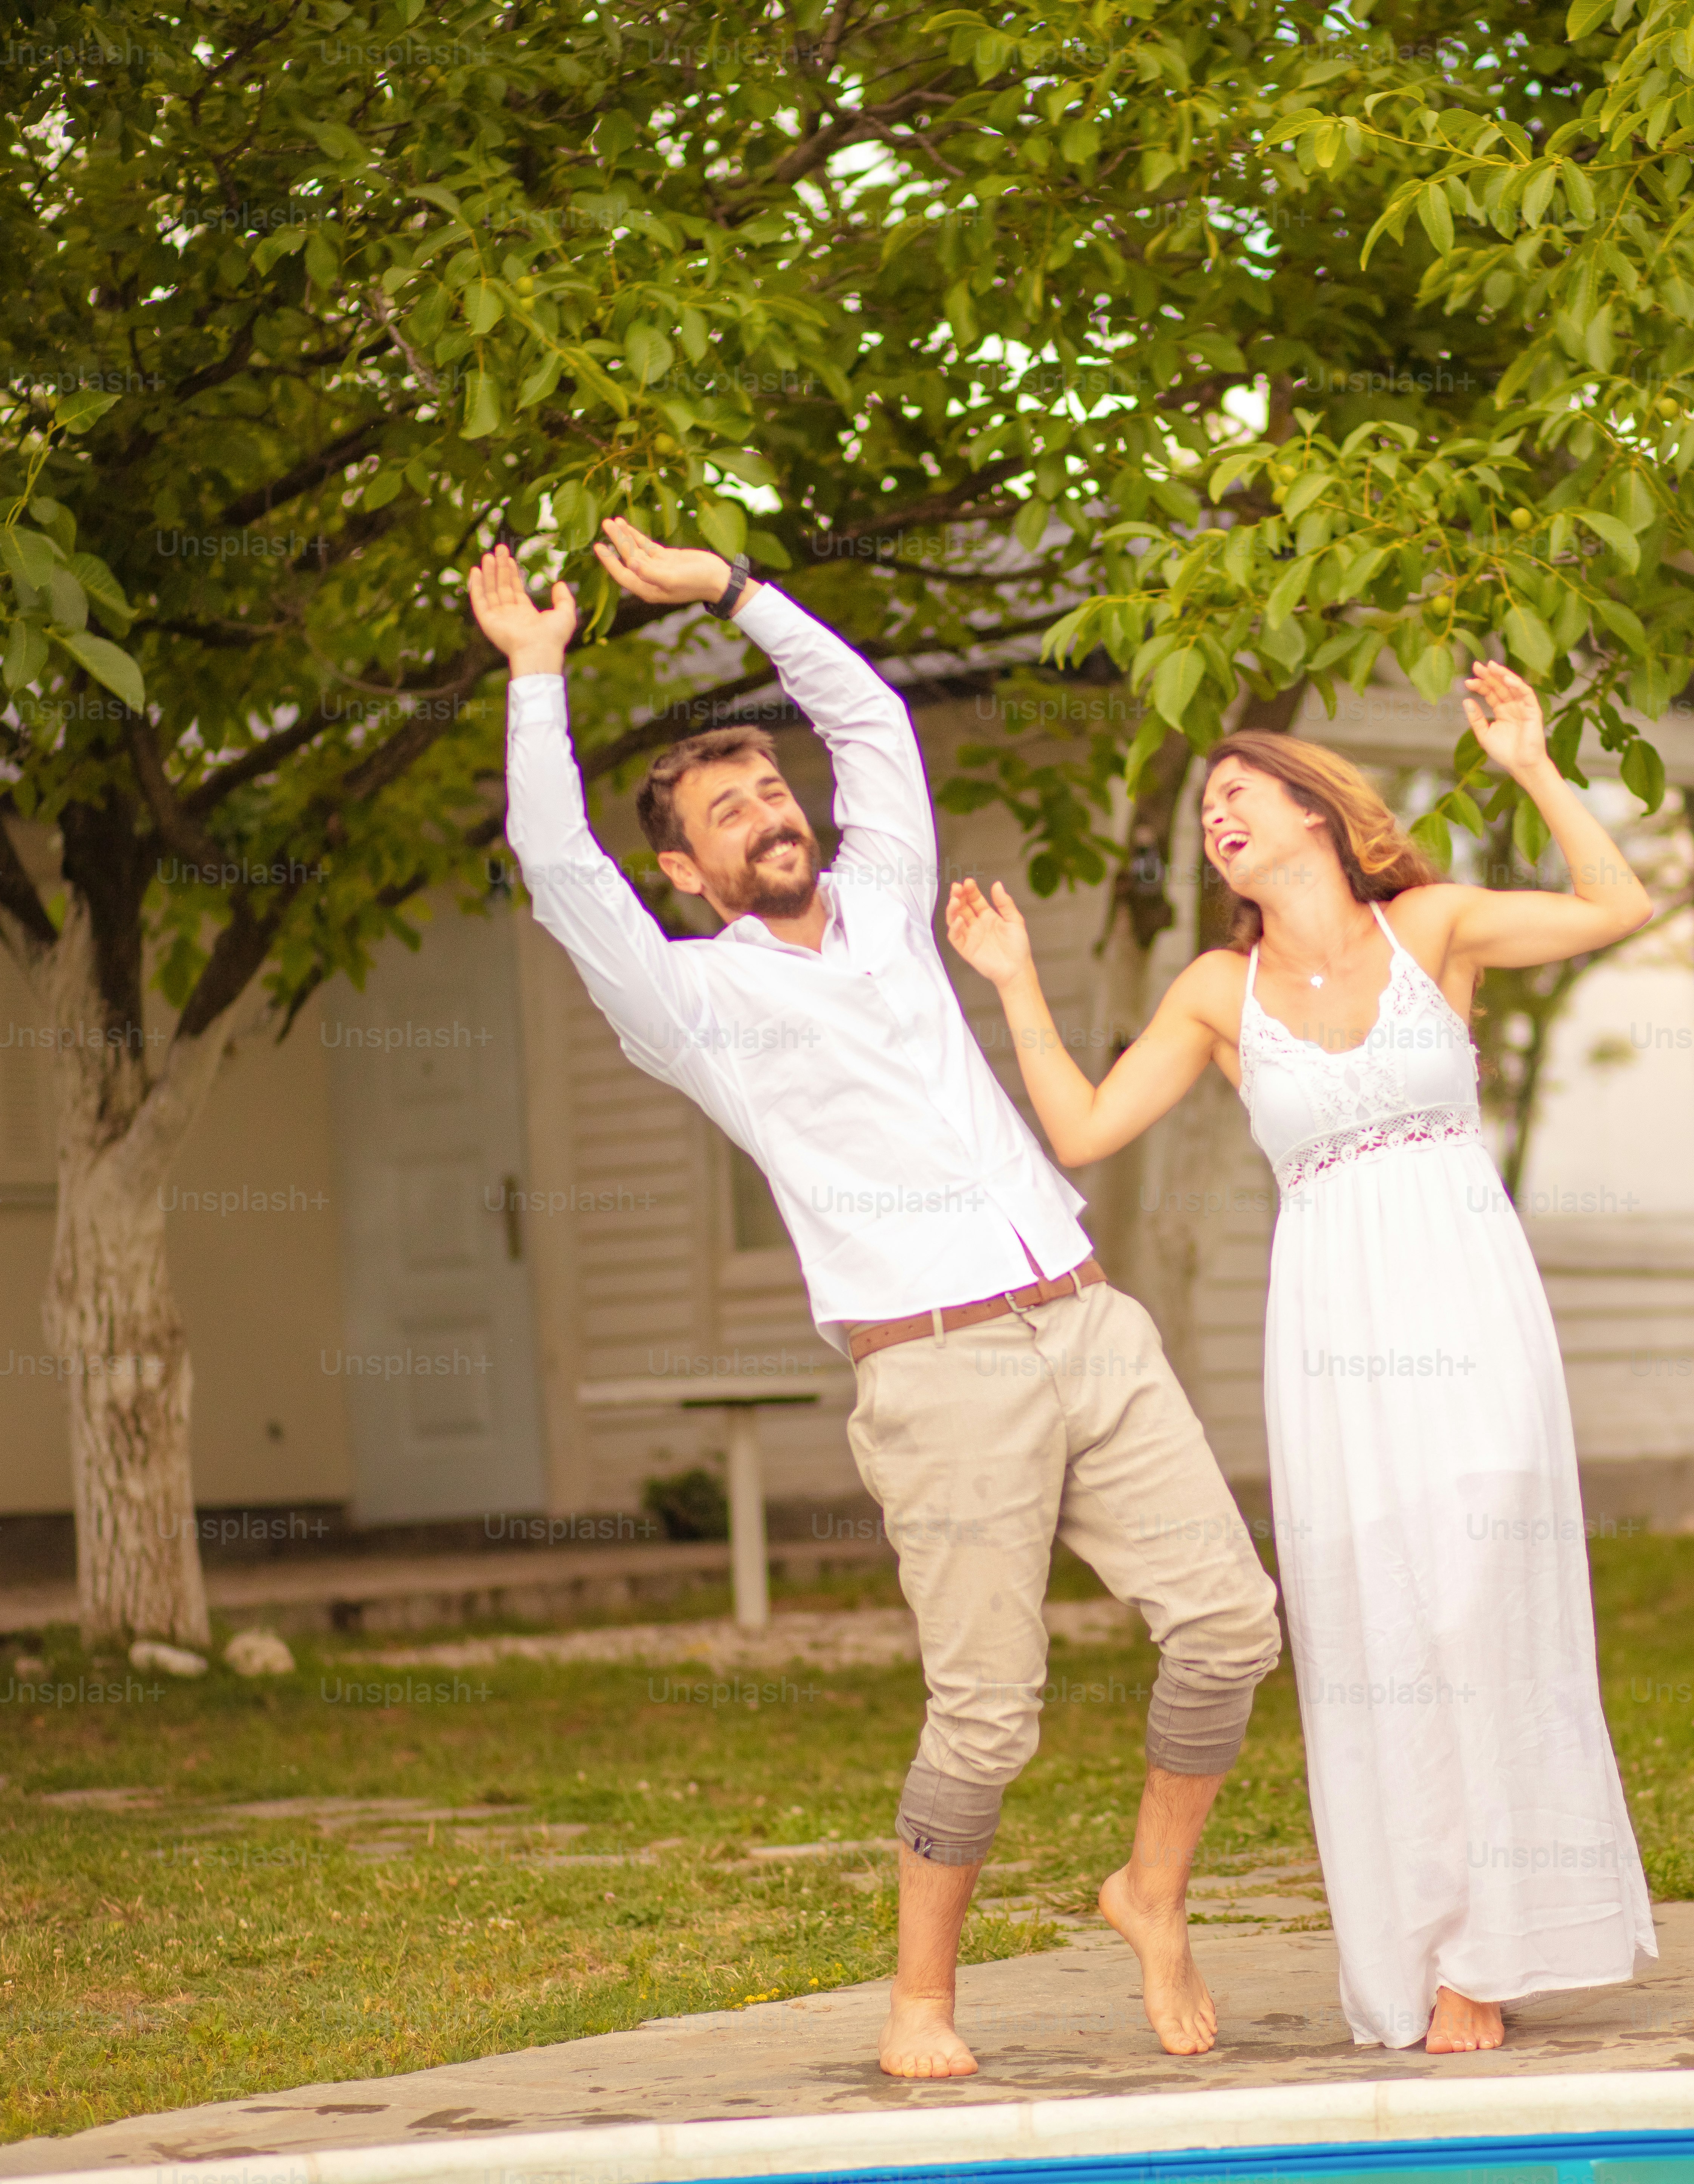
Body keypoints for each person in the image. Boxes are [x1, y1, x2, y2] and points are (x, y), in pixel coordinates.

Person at [469, 519, 1283, 2080]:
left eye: (770, 792)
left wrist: (734, 592)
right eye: (726, 812)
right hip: (937, 1379)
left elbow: (870, 722)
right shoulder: (692, 1006)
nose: (768, 815)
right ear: (685, 868)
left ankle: (1148, 1890)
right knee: (989, 1716)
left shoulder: (890, 904)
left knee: (1233, 1628)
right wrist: (534, 677)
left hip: (1087, 1321)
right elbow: (557, 869)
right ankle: (920, 2000)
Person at [942, 664, 1659, 2053]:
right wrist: (1017, 984)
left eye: (1239, 792)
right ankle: (1435, 1950)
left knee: (1480, 1594)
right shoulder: (1220, 987)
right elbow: (1086, 1131)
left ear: (1317, 815)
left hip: (1464, 1291)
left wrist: (1530, 765)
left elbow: (1617, 906)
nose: (1217, 814)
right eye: (1205, 805)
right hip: (1332, 1321)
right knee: (1379, 1617)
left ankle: (1491, 1954)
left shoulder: (1435, 925)